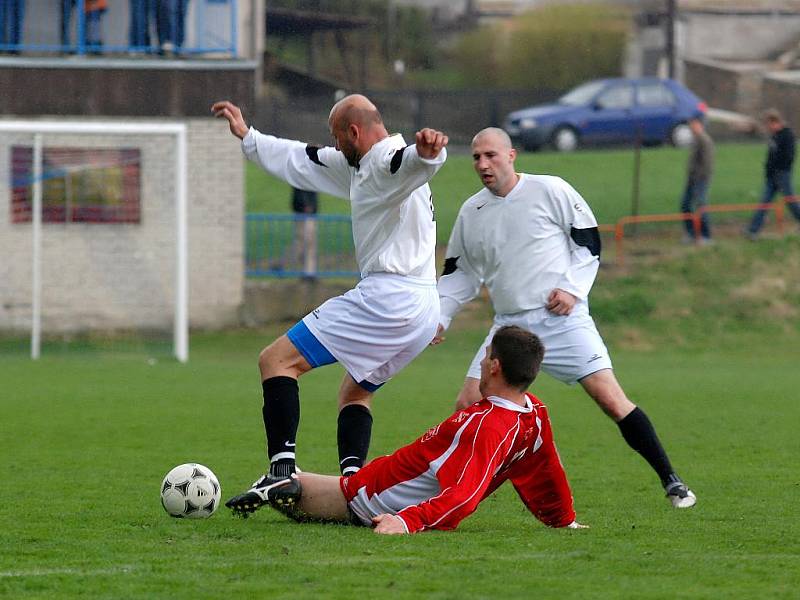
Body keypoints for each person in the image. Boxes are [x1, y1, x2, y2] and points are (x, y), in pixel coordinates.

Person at [432, 127, 696, 509]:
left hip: (561, 320)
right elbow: (460, 274)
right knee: (467, 404)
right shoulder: (472, 212)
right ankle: (452, 491)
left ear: (512, 155)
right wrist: (440, 316)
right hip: (508, 328)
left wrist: (572, 289)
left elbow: (587, 240)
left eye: (491, 155)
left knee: (609, 398)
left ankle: (671, 480)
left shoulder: (550, 189)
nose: (483, 164)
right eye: (476, 157)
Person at [212, 96, 448, 513]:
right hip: (424, 306)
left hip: (388, 296)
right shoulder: (357, 164)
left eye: (338, 138)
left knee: (277, 361)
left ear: (354, 133)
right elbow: (302, 159)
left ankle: (281, 471)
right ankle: (355, 486)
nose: (335, 147)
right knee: (355, 392)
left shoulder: (384, 160)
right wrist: (250, 139)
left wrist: (429, 153)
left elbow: (407, 162)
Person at [234, 326, 586, 534]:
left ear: (494, 366)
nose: (479, 362)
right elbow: (546, 468)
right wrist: (563, 520)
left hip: (364, 499)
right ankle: (277, 485)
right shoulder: (533, 412)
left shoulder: (487, 425)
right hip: (375, 483)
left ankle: (275, 485)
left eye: (485, 356)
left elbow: (463, 496)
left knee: (284, 486)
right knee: (283, 483)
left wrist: (407, 522)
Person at [746, 108, 799, 239]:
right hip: (771, 176)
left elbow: (789, 156)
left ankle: (753, 230)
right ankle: (753, 231)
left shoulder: (787, 135)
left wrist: (779, 169)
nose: (768, 127)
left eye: (768, 124)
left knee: (790, 201)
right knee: (764, 202)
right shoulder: (774, 135)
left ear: (775, 122)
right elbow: (770, 153)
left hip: (782, 175)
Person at [679, 117, 714, 244]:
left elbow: (707, 164)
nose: (691, 127)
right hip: (691, 179)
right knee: (685, 204)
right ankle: (691, 233)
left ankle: (706, 236)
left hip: (700, 180)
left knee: (700, 206)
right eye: (690, 125)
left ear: (699, 125)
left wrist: (699, 179)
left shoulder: (705, 140)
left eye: (693, 125)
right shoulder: (695, 140)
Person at [289, 187, 318, 279]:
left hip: (307, 212)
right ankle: (288, 263)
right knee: (304, 241)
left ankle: (309, 271)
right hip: (304, 212)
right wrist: (307, 205)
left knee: (307, 242)